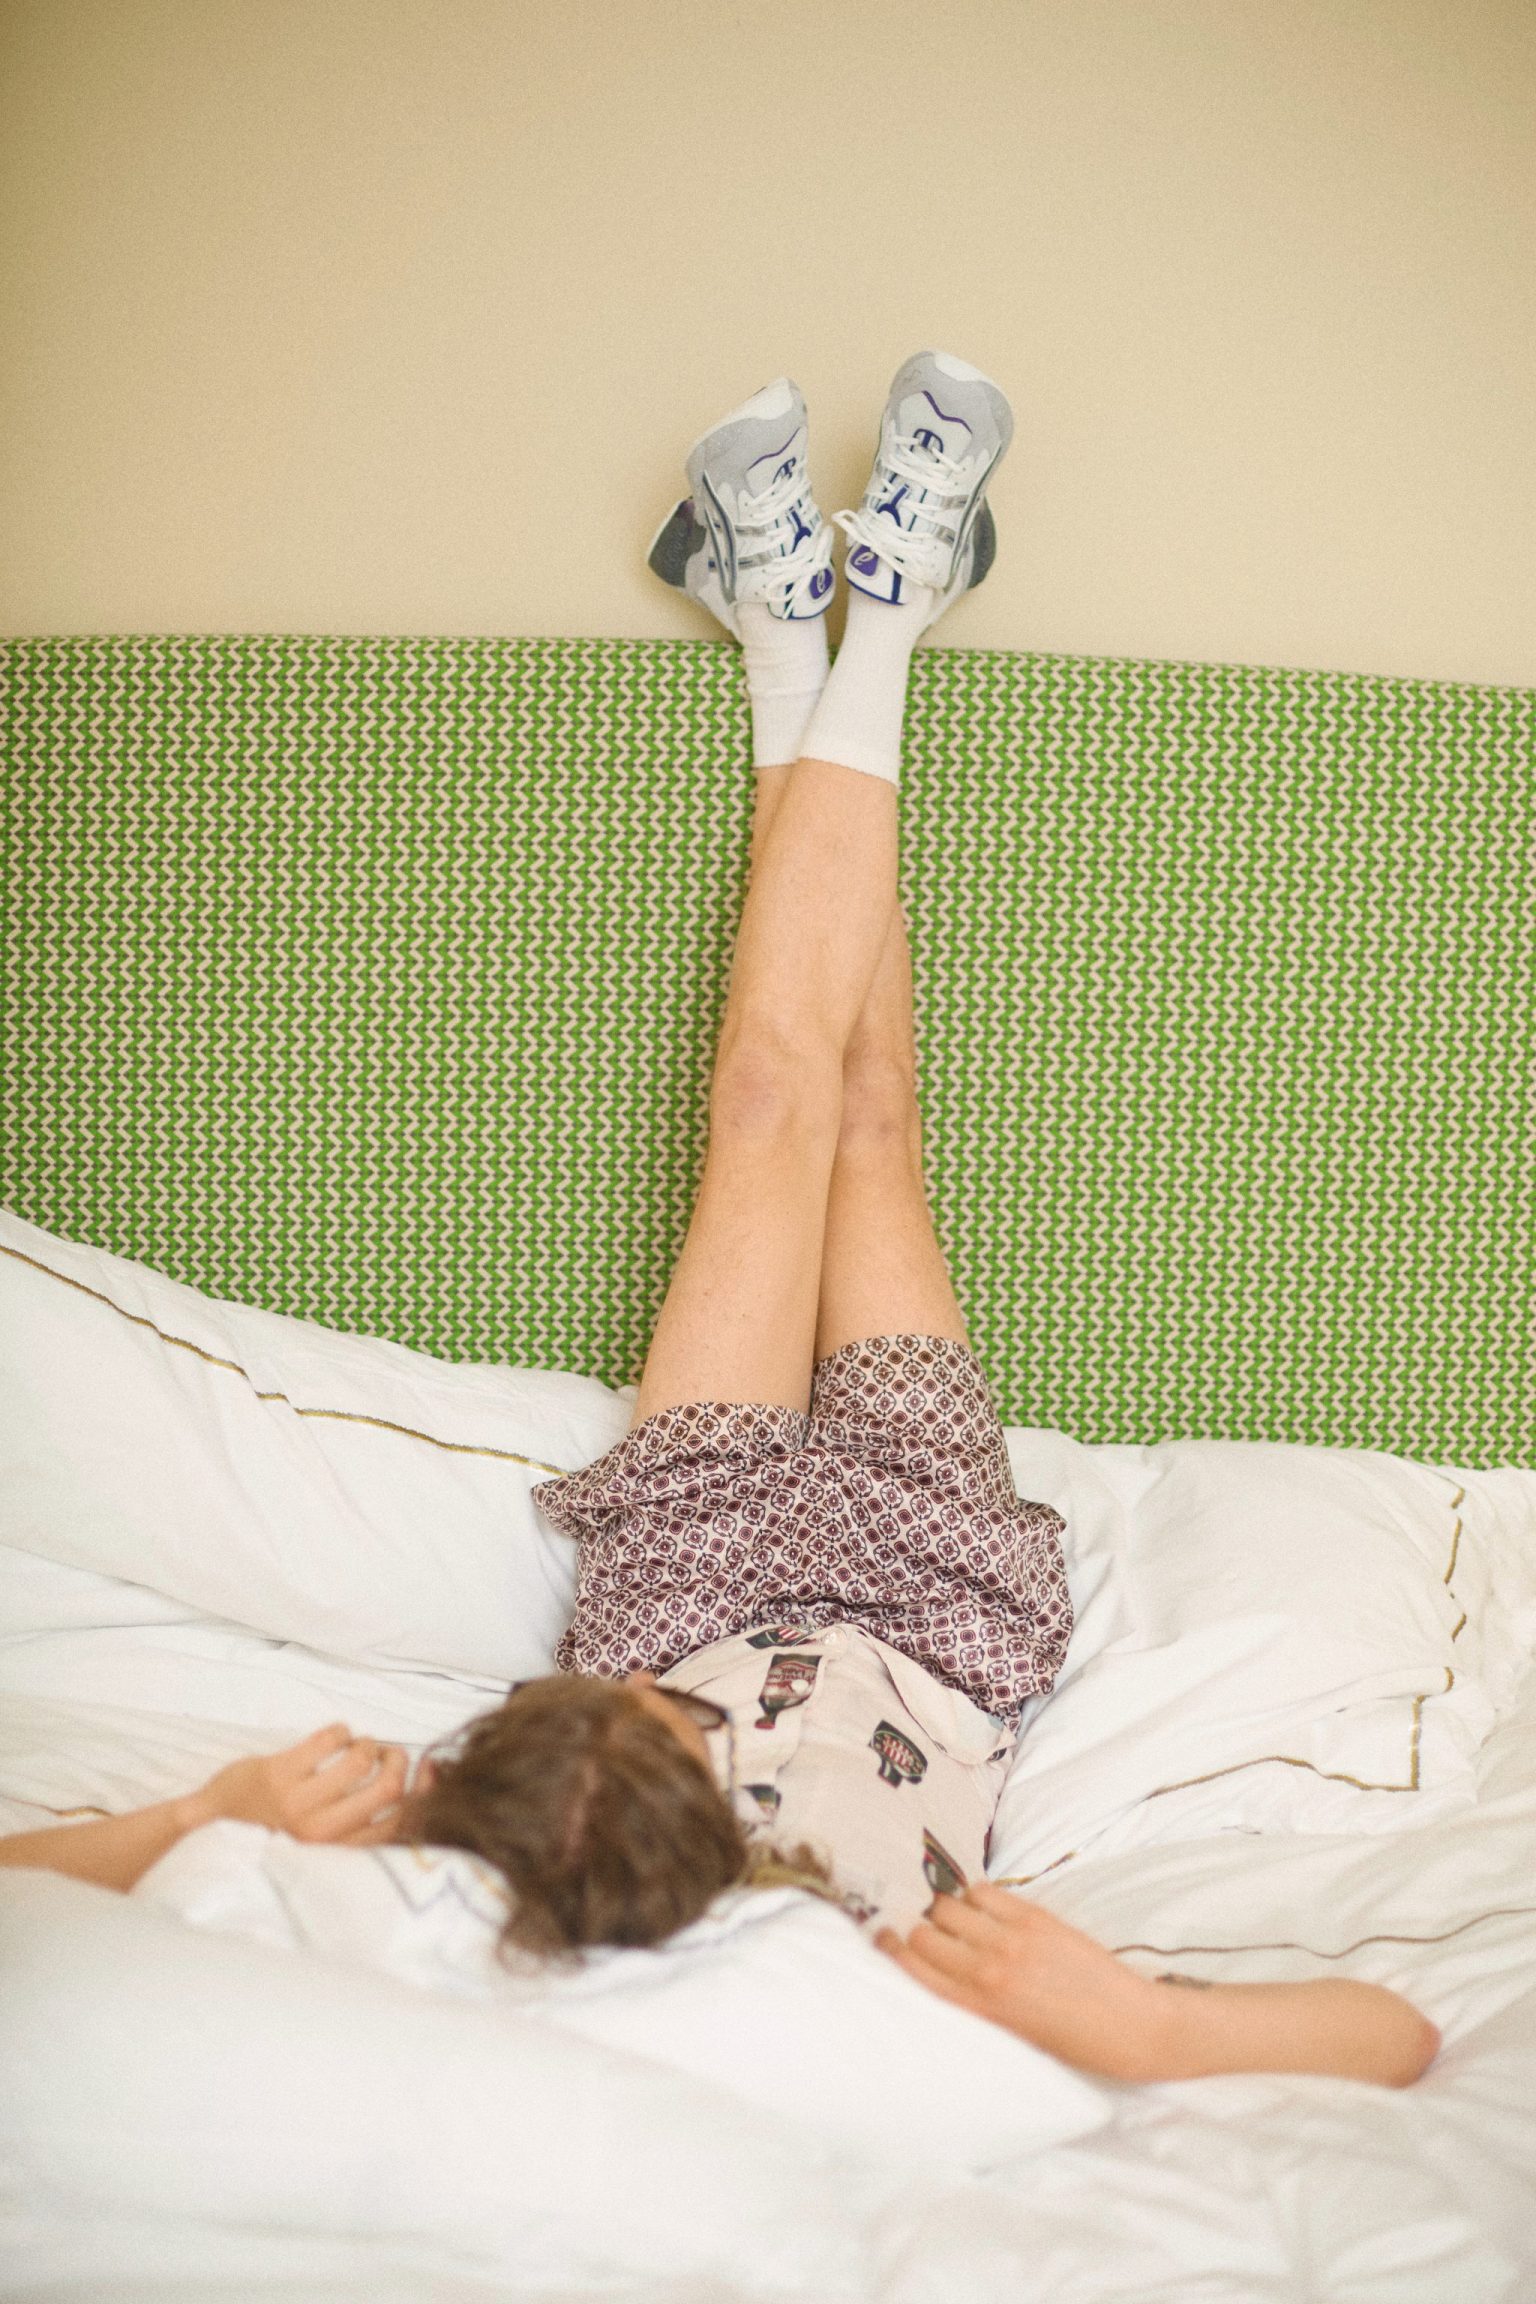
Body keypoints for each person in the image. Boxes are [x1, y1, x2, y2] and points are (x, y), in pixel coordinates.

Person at [0, 356, 1438, 2089]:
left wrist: (210, 1811)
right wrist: (1129, 2024)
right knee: (872, 1127)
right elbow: (1396, 2036)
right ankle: (839, 621)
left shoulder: (436, 1895)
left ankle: (827, 629)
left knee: (771, 1106)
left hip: (675, 1590)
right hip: (935, 1615)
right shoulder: (878, 1990)